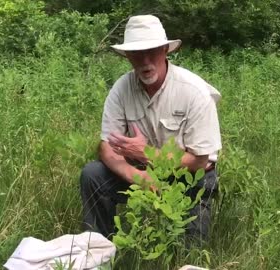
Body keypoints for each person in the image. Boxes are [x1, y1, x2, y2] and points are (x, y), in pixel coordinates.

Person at [79, 15, 222, 241]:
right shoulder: (122, 88)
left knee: (189, 254)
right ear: (127, 56)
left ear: (165, 50)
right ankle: (98, 252)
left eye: (152, 51)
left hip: (192, 177)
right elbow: (106, 147)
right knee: (93, 174)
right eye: (136, 53)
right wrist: (137, 176)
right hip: (143, 173)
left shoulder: (193, 91)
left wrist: (146, 153)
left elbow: (199, 161)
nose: (145, 60)